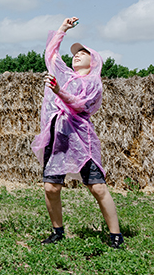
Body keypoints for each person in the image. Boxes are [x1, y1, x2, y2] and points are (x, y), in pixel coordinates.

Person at [32, 17, 123, 248]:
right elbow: (51, 55)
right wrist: (62, 29)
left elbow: (80, 105)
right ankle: (57, 232)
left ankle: (115, 235)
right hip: (58, 136)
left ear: (94, 61)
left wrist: (59, 92)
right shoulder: (65, 76)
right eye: (75, 53)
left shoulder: (94, 83)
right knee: (51, 187)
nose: (77, 54)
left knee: (97, 186)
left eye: (83, 53)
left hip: (82, 140)